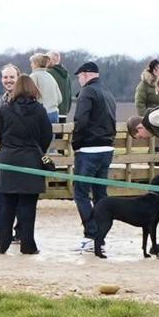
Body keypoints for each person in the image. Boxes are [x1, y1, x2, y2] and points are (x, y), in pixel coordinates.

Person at [0, 70, 54, 255]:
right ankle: (27, 245)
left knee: (7, 204)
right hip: (31, 161)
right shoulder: (40, 110)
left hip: (8, 160)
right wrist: (36, 150)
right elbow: (46, 136)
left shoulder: (5, 109)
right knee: (28, 206)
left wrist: (7, 148)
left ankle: (3, 244)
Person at [68, 59, 117, 257]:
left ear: (86, 74)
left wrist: (76, 143)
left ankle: (91, 234)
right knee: (100, 195)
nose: (79, 80)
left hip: (89, 149)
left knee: (80, 193)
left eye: (79, 76)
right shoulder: (107, 92)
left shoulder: (87, 92)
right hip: (107, 147)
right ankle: (100, 238)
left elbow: (81, 119)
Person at [133, 58, 159, 148]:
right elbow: (139, 103)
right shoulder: (143, 86)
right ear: (154, 71)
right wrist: (145, 120)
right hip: (154, 118)